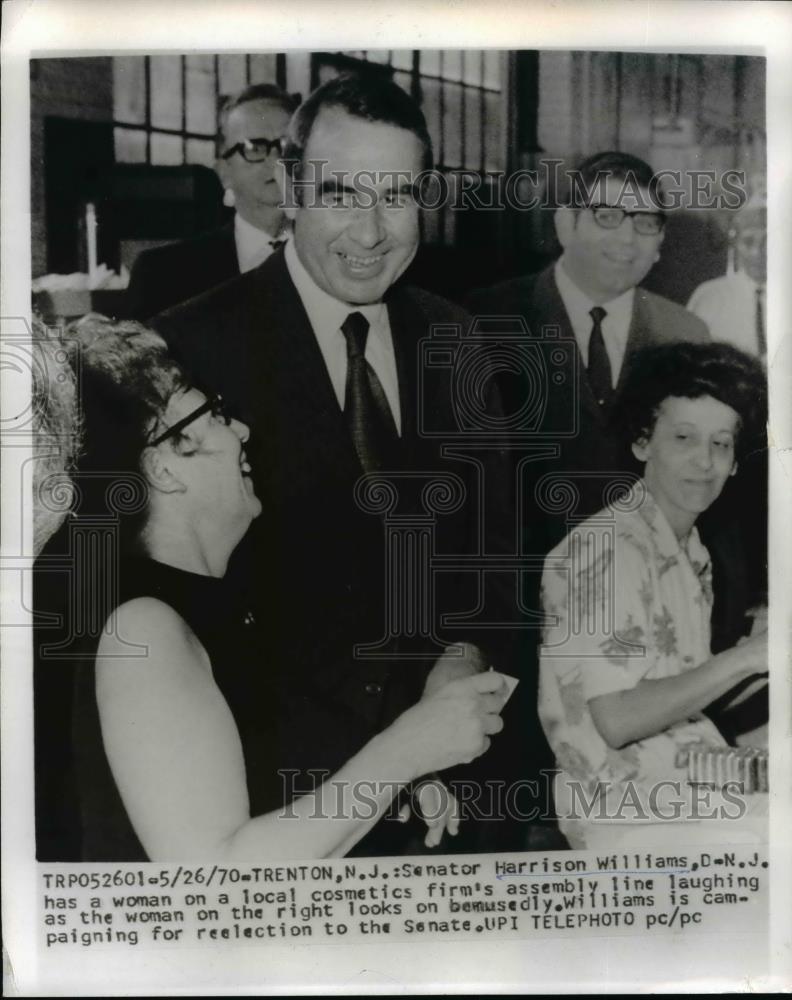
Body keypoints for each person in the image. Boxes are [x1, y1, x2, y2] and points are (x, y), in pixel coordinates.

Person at [152, 73, 516, 855]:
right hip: (270, 816)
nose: (372, 230)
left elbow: (495, 558)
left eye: (397, 195)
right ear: (290, 188)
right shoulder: (190, 347)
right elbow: (165, 604)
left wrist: (460, 660)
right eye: (343, 191)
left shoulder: (461, 342)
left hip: (451, 804)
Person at [67, 317, 507, 862]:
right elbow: (212, 876)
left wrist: (399, 782)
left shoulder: (220, 603)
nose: (242, 432)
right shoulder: (145, 629)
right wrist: (407, 751)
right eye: (216, 415)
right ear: (163, 468)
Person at [538, 341, 767, 850]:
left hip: (691, 786)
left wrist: (763, 657)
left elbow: (680, 694)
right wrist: (748, 658)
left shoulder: (686, 547)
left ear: (734, 462)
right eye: (683, 437)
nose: (704, 462)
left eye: (721, 444)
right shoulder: (605, 549)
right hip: (632, 819)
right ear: (642, 443)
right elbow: (618, 720)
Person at [126, 84, 299, 320]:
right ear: (224, 171)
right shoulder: (163, 274)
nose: (275, 160)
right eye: (254, 147)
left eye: (286, 146)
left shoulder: (337, 258)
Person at [688, 192, 767, 359]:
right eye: (748, 241)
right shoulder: (709, 297)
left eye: (768, 241)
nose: (757, 252)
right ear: (735, 243)